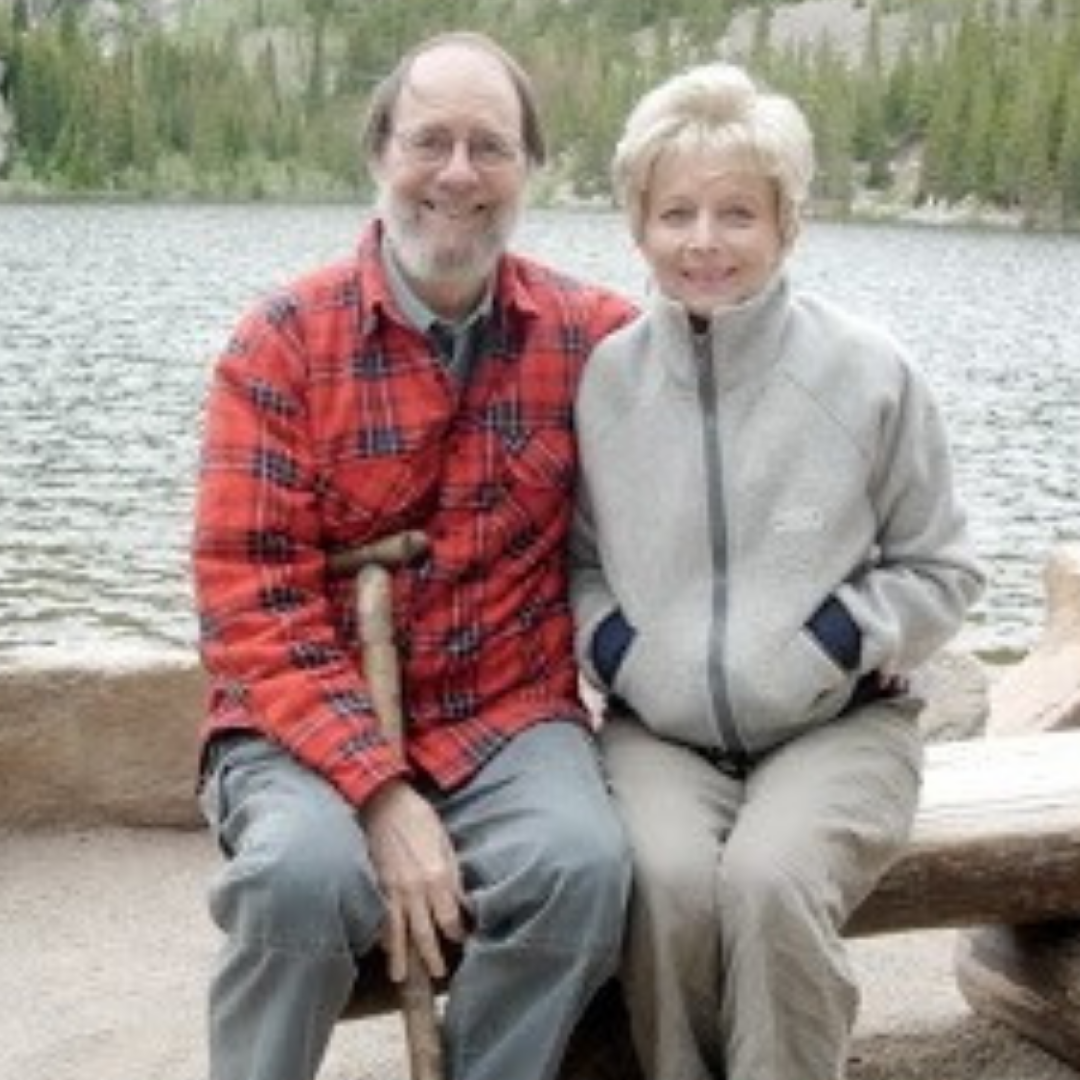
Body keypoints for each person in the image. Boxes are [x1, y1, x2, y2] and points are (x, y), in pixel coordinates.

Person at [192, 31, 635, 1080]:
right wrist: (381, 794)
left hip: (507, 711)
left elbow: (738, 381)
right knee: (301, 881)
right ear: (378, 153)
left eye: (490, 145)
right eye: (428, 140)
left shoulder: (597, 339)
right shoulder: (281, 343)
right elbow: (245, 601)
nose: (457, 173)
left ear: (530, 168)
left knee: (583, 867)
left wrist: (865, 589)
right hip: (295, 724)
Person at [570, 62, 985, 1080]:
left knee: (767, 881)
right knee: (660, 883)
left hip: (840, 725)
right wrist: (622, 650)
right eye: (676, 213)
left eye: (736, 213)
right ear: (639, 227)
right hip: (660, 734)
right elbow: (578, 564)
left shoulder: (868, 371)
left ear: (787, 223)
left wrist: (839, 638)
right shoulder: (606, 383)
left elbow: (945, 569)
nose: (704, 240)